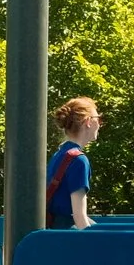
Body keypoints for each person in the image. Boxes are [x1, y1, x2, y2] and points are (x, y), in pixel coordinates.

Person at [46, 97, 101, 229]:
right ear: (88, 121)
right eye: (98, 119)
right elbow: (79, 217)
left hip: (52, 232)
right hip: (67, 235)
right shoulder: (79, 160)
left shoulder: (60, 154)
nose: (100, 124)